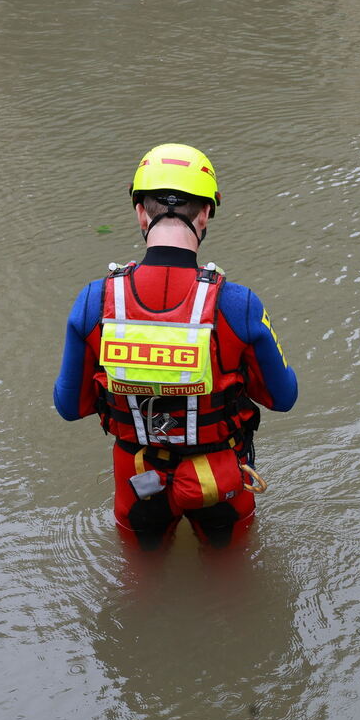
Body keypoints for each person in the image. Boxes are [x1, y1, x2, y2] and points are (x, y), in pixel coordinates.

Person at [54, 143, 298, 548]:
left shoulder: (93, 301)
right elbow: (283, 397)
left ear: (140, 212)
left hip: (137, 479)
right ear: (205, 214)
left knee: (136, 590)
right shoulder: (239, 303)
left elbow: (69, 407)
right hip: (219, 479)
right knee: (229, 584)